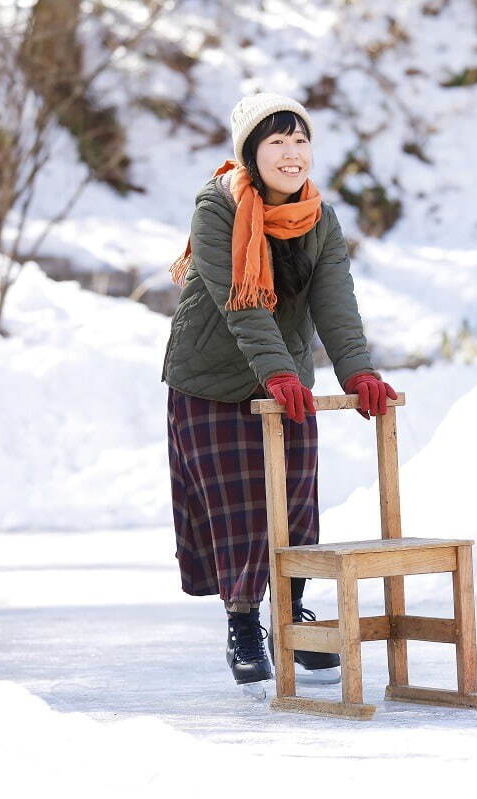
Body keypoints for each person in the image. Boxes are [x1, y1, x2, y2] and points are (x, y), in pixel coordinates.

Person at [161, 92, 398, 695]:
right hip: (212, 380)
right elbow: (241, 306)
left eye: (300, 142)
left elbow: (335, 302)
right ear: (251, 152)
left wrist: (357, 372)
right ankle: (243, 623)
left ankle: (290, 615)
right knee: (239, 511)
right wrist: (279, 373)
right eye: (276, 143)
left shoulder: (320, 217)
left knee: (294, 504)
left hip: (283, 379)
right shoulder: (218, 208)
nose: (291, 155)